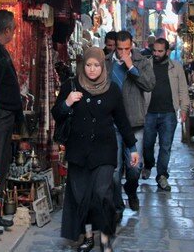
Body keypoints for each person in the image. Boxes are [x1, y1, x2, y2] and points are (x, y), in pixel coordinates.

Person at [52, 47, 139, 252]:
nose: (92, 70)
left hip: (104, 151)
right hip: (78, 151)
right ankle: (89, 236)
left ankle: (106, 238)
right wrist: (67, 102)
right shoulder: (71, 86)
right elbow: (57, 114)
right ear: (83, 65)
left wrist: (132, 148)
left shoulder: (112, 89)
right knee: (82, 197)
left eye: (96, 65)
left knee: (102, 195)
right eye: (89, 65)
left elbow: (122, 121)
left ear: (103, 66)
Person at [105, 31, 155, 213]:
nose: (123, 52)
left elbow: (149, 85)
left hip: (134, 123)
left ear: (132, 45)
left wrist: (131, 67)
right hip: (112, 123)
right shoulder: (106, 63)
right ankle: (117, 206)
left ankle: (131, 190)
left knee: (134, 168)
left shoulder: (142, 61)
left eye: (127, 48)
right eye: (120, 49)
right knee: (115, 170)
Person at [0, 9, 21, 232]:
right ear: (7, 30)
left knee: (2, 163)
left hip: (5, 116)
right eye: (13, 29)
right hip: (0, 116)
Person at [141, 38, 190, 191]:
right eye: (154, 50)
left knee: (165, 146)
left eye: (160, 51)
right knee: (147, 143)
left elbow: (183, 89)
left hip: (168, 113)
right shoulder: (146, 65)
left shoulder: (176, 67)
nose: (156, 54)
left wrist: (184, 109)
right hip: (148, 112)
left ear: (167, 52)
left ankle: (162, 176)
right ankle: (148, 165)